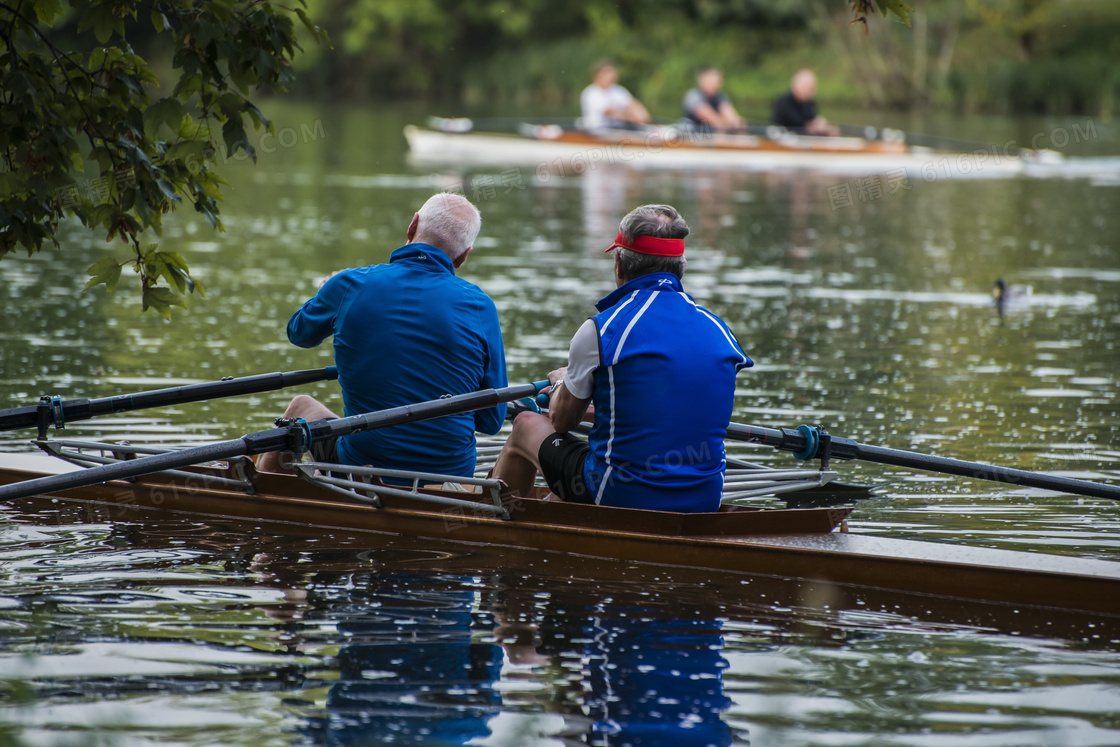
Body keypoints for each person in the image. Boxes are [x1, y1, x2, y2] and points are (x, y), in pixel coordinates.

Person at [491, 204, 752, 513]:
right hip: (704, 500)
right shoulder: (720, 331)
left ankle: (494, 524)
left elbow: (561, 421)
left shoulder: (603, 329)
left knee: (525, 423)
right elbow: (659, 411)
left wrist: (562, 383)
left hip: (620, 495)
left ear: (619, 264)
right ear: (681, 266)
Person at [257, 193, 507, 477]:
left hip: (364, 463)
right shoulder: (481, 306)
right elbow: (491, 421)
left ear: (412, 226)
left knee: (301, 406)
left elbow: (299, 333)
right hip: (451, 473)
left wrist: (328, 291)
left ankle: (263, 493)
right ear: (463, 256)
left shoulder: (348, 285)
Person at [579, 61, 651, 132]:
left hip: (618, 130)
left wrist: (643, 116)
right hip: (597, 131)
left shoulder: (618, 90)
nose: (614, 76)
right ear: (600, 74)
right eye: (609, 73)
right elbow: (610, 112)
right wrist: (633, 118)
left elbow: (632, 104)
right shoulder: (591, 93)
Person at [771, 69, 840, 136]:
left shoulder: (809, 102)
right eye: (808, 88)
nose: (811, 93)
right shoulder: (784, 102)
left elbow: (813, 118)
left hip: (804, 138)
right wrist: (817, 126)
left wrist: (826, 127)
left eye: (812, 89)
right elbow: (800, 123)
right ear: (797, 86)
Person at [682, 66, 744, 132]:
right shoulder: (693, 96)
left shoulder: (720, 97)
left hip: (712, 134)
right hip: (692, 134)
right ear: (702, 81)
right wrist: (729, 124)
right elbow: (715, 121)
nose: (716, 84)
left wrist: (738, 124)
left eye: (718, 81)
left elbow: (733, 118)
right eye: (712, 80)